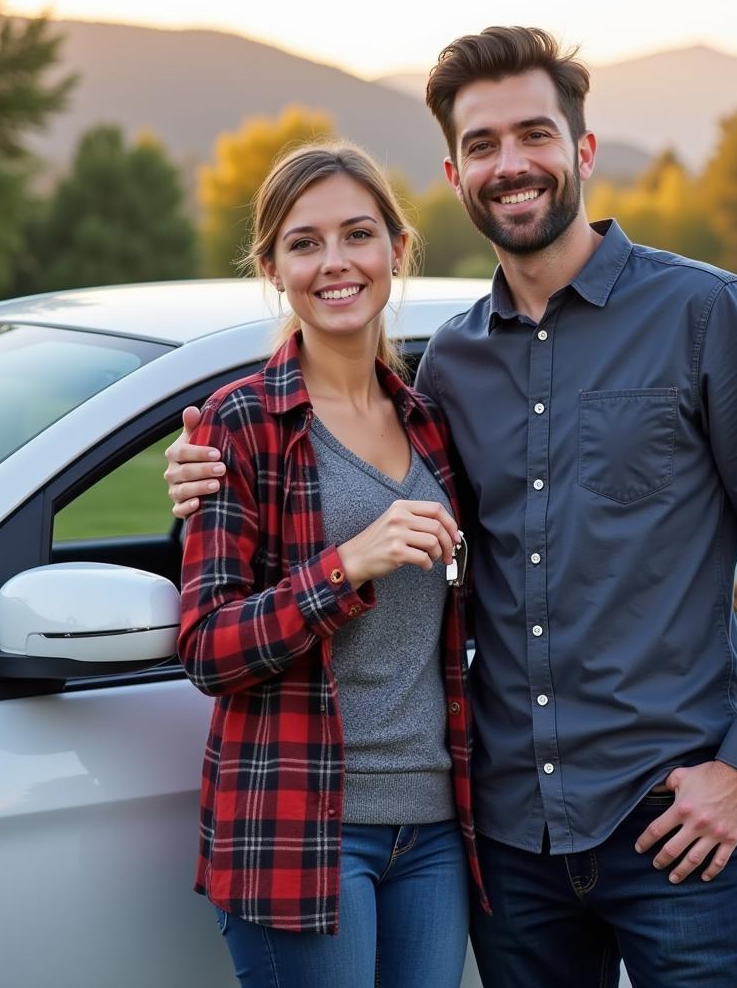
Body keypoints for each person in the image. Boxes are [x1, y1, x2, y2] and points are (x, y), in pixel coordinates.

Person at [167, 29, 737, 988]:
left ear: (583, 149)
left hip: (673, 820)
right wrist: (201, 478)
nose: (512, 164)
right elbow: (439, 566)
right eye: (484, 145)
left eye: (535, 134)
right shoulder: (450, 367)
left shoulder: (704, 315)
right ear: (455, 174)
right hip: (506, 843)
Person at [175, 141, 487, 988]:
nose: (335, 262)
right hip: (303, 834)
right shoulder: (239, 426)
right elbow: (207, 646)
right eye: (304, 243)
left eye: (357, 234)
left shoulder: (431, 422)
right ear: (273, 268)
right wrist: (347, 564)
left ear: (396, 249)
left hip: (432, 830)